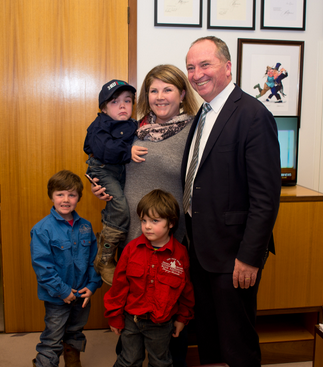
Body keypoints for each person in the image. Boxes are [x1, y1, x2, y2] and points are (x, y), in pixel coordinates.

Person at [182, 36, 281, 367]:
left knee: (237, 342)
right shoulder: (203, 114)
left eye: (205, 65)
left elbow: (265, 198)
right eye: (191, 67)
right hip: (201, 248)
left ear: (227, 66)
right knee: (209, 336)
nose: (197, 74)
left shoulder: (253, 115)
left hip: (233, 256)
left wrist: (250, 257)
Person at [91, 64, 198, 367]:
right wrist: (102, 188)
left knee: (166, 320)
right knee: (130, 318)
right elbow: (110, 165)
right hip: (132, 234)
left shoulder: (194, 131)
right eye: (153, 90)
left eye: (167, 89)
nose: (160, 96)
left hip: (169, 240)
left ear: (181, 95)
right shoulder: (132, 127)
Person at [104, 189, 195, 367]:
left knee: (160, 362)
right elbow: (118, 287)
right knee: (128, 360)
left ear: (171, 223)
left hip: (162, 323)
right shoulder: (131, 249)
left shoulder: (180, 254)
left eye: (155, 221)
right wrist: (114, 316)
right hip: (132, 320)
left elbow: (186, 289)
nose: (147, 226)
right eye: (144, 220)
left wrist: (182, 318)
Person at [30, 170, 102, 367]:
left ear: (78, 197)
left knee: (75, 333)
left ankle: (73, 362)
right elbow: (43, 267)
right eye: (60, 194)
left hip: (81, 295)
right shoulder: (42, 229)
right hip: (57, 297)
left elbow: (94, 261)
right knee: (53, 338)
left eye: (72, 194)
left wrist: (93, 285)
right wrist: (62, 291)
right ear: (51, 196)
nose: (65, 199)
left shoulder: (85, 227)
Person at [83, 79, 137, 285]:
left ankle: (111, 254)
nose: (122, 106)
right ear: (104, 109)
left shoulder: (133, 125)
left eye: (128, 101)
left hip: (118, 172)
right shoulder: (99, 126)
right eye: (114, 102)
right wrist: (128, 151)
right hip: (104, 170)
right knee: (121, 208)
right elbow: (105, 149)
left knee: (119, 211)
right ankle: (104, 258)